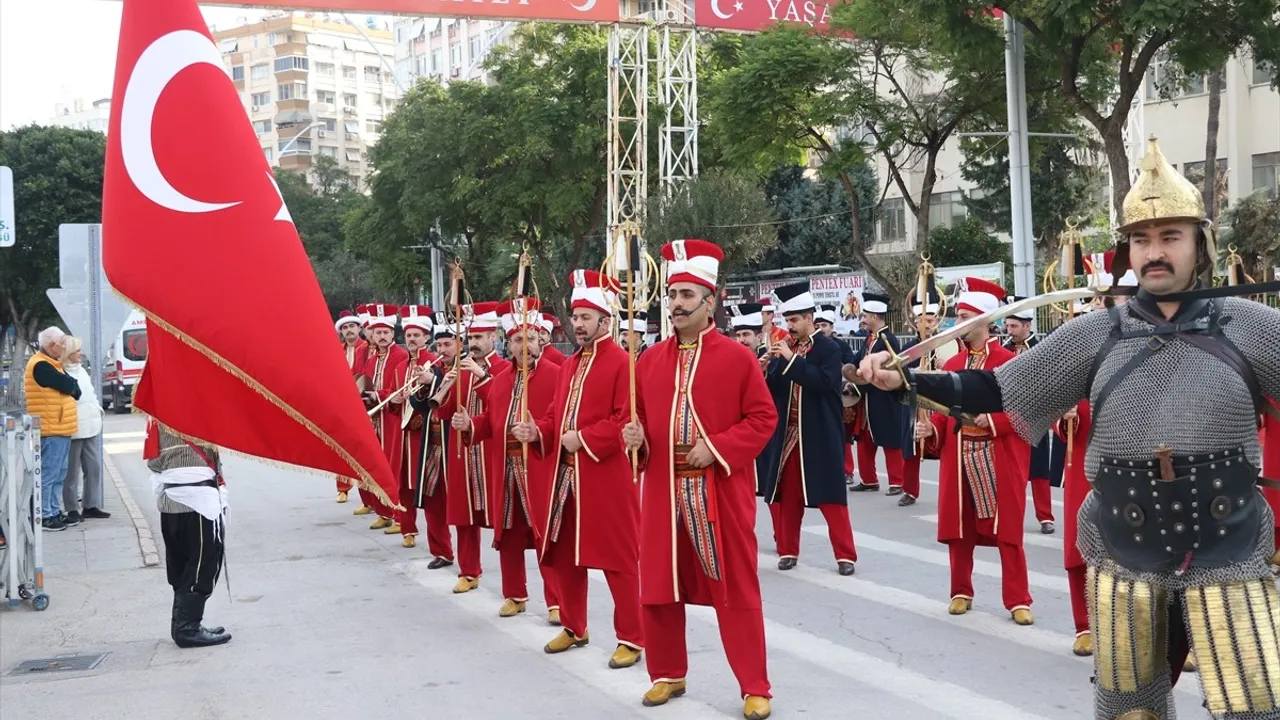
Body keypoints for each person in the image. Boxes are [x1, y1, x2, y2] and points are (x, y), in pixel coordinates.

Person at [859, 138, 1280, 719]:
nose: (1154, 252)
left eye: (1169, 237)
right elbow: (1000, 389)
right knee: (1132, 709)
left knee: (1255, 706)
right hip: (1125, 542)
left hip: (1227, 539)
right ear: (1126, 252)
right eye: (1141, 240)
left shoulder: (1252, 325)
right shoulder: (1095, 334)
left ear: (1199, 245)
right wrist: (907, 382)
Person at [624, 239, 776, 719]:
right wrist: (636, 437)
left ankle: (755, 685)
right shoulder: (647, 361)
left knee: (735, 588)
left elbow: (762, 419)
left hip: (718, 493)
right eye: (672, 295)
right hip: (664, 491)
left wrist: (718, 447)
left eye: (687, 295)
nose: (676, 305)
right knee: (659, 585)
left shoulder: (737, 358)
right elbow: (644, 423)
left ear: (710, 301)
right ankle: (667, 672)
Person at [510, 270, 644, 668]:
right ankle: (574, 625)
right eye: (575, 316)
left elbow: (626, 420)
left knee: (618, 560)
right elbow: (555, 416)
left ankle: (632, 638)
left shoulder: (624, 363)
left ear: (606, 320)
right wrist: (538, 431)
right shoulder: (569, 365)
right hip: (564, 474)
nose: (579, 323)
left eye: (587, 317)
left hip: (606, 477)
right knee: (562, 553)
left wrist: (582, 439)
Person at [912, 278, 1035, 625]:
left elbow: (1027, 411)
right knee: (959, 529)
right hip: (960, 453)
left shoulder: (1010, 362)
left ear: (984, 320)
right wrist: (930, 428)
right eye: (957, 316)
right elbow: (940, 410)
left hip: (997, 455)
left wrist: (992, 419)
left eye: (965, 316)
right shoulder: (952, 366)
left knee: (1008, 532)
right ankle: (960, 591)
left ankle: (1018, 599)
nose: (957, 323)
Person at [454, 299, 561, 620]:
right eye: (517, 340)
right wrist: (469, 426)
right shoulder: (501, 379)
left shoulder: (557, 375)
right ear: (509, 344)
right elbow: (490, 420)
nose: (524, 345)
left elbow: (562, 420)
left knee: (546, 533)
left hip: (540, 466)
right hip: (506, 468)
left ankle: (556, 601)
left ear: (540, 339)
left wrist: (539, 430)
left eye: (529, 338)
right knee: (510, 534)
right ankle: (515, 594)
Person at [759, 282, 857, 576]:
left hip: (819, 431)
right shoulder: (787, 347)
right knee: (787, 495)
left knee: (830, 496)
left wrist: (791, 361)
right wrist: (766, 368)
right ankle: (788, 550)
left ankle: (845, 556)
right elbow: (776, 389)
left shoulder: (830, 347)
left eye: (794, 320)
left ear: (809, 319)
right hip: (789, 433)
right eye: (787, 320)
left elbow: (825, 383)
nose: (789, 326)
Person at [433, 301, 508, 593]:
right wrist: (443, 386)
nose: (474, 343)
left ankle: (514, 587)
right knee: (464, 515)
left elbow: (502, 407)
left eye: (479, 337)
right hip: (464, 453)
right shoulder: (459, 368)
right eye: (471, 338)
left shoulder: (503, 368)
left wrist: (481, 375)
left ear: (493, 338)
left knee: (505, 522)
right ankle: (468, 571)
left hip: (491, 452)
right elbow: (442, 412)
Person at [145, 418, 231, 648]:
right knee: (204, 565)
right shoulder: (199, 416)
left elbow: (153, 462)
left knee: (181, 564)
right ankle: (187, 628)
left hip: (170, 501)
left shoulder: (156, 419)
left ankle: (183, 624)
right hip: (199, 502)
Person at [1002, 299, 1060, 534]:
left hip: (1035, 416)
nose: (1009, 331)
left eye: (1013, 326)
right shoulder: (1004, 349)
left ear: (1027, 325)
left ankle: (1045, 517)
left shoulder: (1041, 349)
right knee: (1010, 470)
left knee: (1038, 470)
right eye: (1007, 326)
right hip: (1009, 418)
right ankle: (1010, 516)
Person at [406, 323, 461, 571]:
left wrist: (435, 379)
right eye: (439, 345)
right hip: (432, 444)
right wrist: (423, 385)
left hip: (455, 445)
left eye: (448, 344)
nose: (442, 349)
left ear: (460, 345)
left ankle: (470, 564)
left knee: (459, 503)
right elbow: (419, 405)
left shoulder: (466, 368)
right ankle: (441, 551)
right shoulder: (435, 368)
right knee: (431, 498)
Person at [730, 302, 781, 552]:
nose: (742, 340)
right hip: (737, 438)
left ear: (758, 336)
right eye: (738, 335)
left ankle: (782, 540)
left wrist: (763, 372)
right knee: (743, 496)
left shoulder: (772, 360)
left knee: (772, 489)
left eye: (747, 335)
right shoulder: (728, 360)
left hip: (766, 437)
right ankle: (742, 542)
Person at [355, 304, 410, 531]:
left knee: (392, 466)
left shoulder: (401, 356)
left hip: (392, 419)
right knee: (375, 465)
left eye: (386, 332)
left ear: (393, 333)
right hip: (374, 417)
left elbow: (402, 389)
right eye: (378, 332)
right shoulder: (371, 358)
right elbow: (365, 381)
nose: (382, 336)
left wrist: (377, 395)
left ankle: (399, 516)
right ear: (372, 335)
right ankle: (383, 512)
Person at [389, 305, 438, 548]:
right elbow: (392, 398)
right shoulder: (400, 368)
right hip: (403, 435)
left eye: (416, 335)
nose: (411, 339)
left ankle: (437, 538)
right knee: (403, 484)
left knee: (426, 486)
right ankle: (408, 529)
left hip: (425, 434)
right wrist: (395, 401)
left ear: (427, 337)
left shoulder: (433, 363)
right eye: (408, 335)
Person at [849, 293, 907, 494]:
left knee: (890, 439)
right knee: (864, 438)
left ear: (875, 316)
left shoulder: (888, 340)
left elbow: (886, 370)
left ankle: (897, 482)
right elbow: (856, 361)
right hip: (867, 398)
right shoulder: (870, 339)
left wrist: (859, 382)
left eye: (865, 315)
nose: (863, 319)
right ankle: (868, 479)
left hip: (883, 396)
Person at [25, 327, 81, 531]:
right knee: (49, 474)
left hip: (60, 427)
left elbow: (76, 389)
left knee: (59, 473)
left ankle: (54, 511)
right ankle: (45, 516)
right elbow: (69, 386)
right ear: (51, 345)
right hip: (51, 428)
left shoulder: (53, 364)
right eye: (62, 343)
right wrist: (71, 386)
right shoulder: (41, 365)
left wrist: (71, 386)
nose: (65, 347)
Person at [895, 288, 942, 507]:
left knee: (949, 445)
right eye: (922, 320)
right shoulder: (908, 348)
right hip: (914, 401)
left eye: (930, 319)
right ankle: (910, 490)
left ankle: (953, 489)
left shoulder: (947, 344)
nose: (927, 324)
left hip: (942, 402)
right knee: (911, 447)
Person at [61, 337, 110, 522]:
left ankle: (91, 505)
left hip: (91, 426)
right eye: (77, 350)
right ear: (69, 352)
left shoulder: (80, 370)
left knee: (94, 467)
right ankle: (72, 508)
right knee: (71, 471)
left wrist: (98, 409)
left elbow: (90, 393)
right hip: (73, 428)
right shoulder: (62, 371)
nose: (80, 353)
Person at [815, 304, 858, 486]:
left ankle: (847, 471)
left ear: (832, 327)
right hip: (817, 395)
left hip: (839, 395)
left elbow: (852, 367)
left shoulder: (840, 346)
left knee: (842, 436)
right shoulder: (810, 346)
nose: (821, 329)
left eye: (824, 325)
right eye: (818, 325)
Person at [335, 307, 369, 504]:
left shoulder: (365, 348)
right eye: (345, 327)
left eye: (352, 326)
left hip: (363, 402)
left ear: (359, 328)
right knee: (342, 447)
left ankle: (369, 493)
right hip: (342, 404)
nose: (349, 330)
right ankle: (343, 488)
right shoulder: (336, 350)